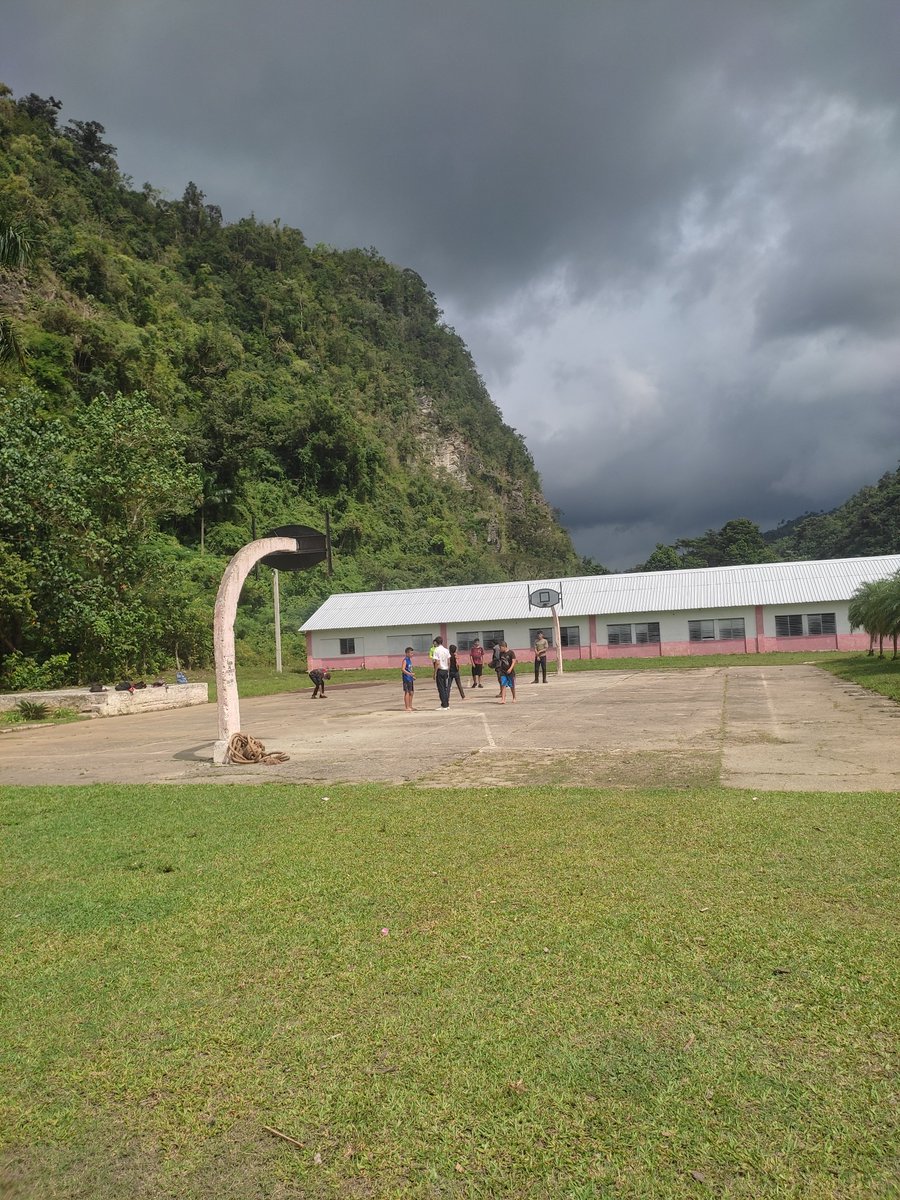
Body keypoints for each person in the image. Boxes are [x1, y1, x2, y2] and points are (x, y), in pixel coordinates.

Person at [432, 636, 451, 709]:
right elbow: (449, 662)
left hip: (440, 670)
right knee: (445, 688)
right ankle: (447, 704)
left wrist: (434, 672)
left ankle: (444, 705)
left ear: (436, 642)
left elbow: (437, 662)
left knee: (441, 688)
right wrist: (447, 670)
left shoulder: (436, 650)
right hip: (445, 670)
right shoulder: (446, 650)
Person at [401, 646, 415, 712]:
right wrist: (409, 674)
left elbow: (409, 669)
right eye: (411, 653)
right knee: (407, 692)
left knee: (411, 692)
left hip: (410, 679)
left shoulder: (409, 660)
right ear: (407, 653)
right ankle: (407, 707)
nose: (412, 654)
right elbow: (403, 669)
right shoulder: (405, 660)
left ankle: (410, 706)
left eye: (412, 653)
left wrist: (412, 676)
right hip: (406, 679)